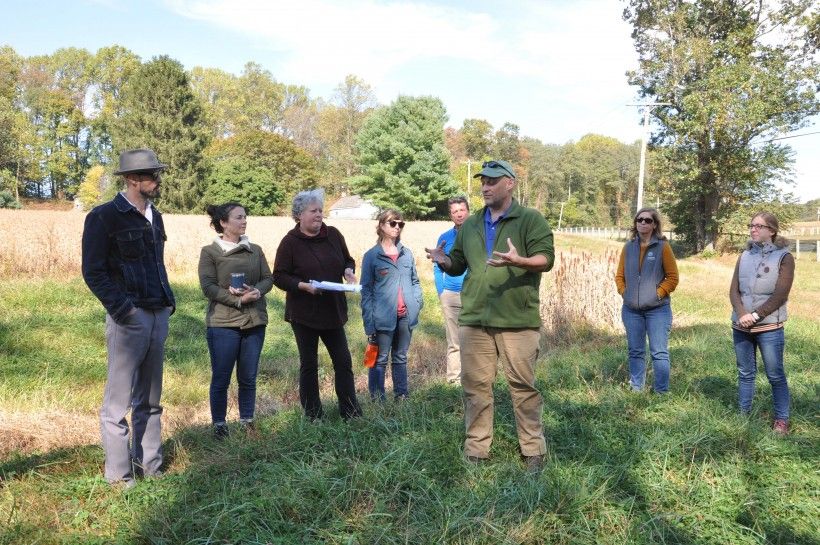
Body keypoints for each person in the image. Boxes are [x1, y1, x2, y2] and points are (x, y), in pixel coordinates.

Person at [425, 160, 553, 472]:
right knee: (475, 386)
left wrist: (520, 260)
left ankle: (533, 450)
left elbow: (546, 259)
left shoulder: (530, 219)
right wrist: (443, 260)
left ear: (510, 183)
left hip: (517, 320)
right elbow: (458, 263)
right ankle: (477, 449)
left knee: (522, 387)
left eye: (493, 181)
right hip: (474, 320)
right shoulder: (469, 224)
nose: (485, 186)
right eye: (483, 181)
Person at [81, 148, 175, 488]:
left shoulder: (156, 216)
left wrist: (167, 305)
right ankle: (120, 477)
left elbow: (157, 264)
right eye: (151, 175)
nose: (157, 180)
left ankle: (151, 465)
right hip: (128, 318)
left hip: (157, 313)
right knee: (117, 404)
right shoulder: (104, 217)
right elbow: (93, 272)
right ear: (132, 179)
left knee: (150, 399)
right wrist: (125, 311)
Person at [273, 189, 362, 420]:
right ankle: (314, 415)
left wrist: (348, 270)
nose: (319, 214)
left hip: (333, 310)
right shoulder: (290, 242)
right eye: (313, 211)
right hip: (304, 314)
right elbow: (280, 276)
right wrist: (304, 286)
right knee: (309, 365)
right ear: (299, 215)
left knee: (343, 361)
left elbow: (347, 259)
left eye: (321, 210)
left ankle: (351, 412)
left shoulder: (333, 234)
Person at [198, 202, 273, 439]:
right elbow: (208, 287)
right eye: (239, 217)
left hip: (254, 321)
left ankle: (247, 422)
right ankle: (219, 426)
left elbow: (268, 278)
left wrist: (256, 292)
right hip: (223, 324)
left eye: (245, 217)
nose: (244, 221)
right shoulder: (210, 252)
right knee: (221, 377)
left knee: (248, 377)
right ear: (223, 223)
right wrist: (237, 300)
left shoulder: (256, 250)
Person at [729, 211, 794, 435]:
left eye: (759, 226)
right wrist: (741, 313)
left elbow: (780, 294)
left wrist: (755, 316)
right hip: (741, 326)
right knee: (745, 373)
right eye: (751, 225)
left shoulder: (784, 258)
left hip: (769, 327)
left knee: (775, 374)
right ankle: (743, 414)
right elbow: (733, 290)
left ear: (772, 231)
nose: (753, 229)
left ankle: (781, 420)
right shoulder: (744, 256)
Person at [614, 207, 679, 393]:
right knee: (635, 351)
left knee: (659, 352)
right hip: (631, 310)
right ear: (635, 223)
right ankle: (637, 389)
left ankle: (661, 393)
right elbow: (619, 276)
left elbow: (673, 278)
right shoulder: (628, 247)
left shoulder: (663, 247)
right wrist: (625, 292)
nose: (643, 223)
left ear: (654, 225)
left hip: (658, 310)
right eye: (639, 220)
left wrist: (657, 294)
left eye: (648, 220)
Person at [361, 209, 423, 401]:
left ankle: (401, 396)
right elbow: (366, 291)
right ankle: (377, 400)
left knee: (401, 357)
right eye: (392, 223)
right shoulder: (372, 256)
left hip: (406, 316)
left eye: (400, 224)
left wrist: (417, 302)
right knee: (377, 359)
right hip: (382, 318)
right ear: (381, 226)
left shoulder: (407, 254)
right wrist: (369, 322)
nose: (397, 227)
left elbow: (415, 281)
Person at [433, 196, 469, 384]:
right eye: (455, 211)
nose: (459, 214)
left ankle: (473, 379)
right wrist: (442, 292)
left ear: (468, 211)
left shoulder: (477, 234)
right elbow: (437, 267)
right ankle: (454, 381)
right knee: (454, 342)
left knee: (474, 340)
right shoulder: (445, 238)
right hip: (451, 295)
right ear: (450, 215)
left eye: (462, 210)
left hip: (474, 295)